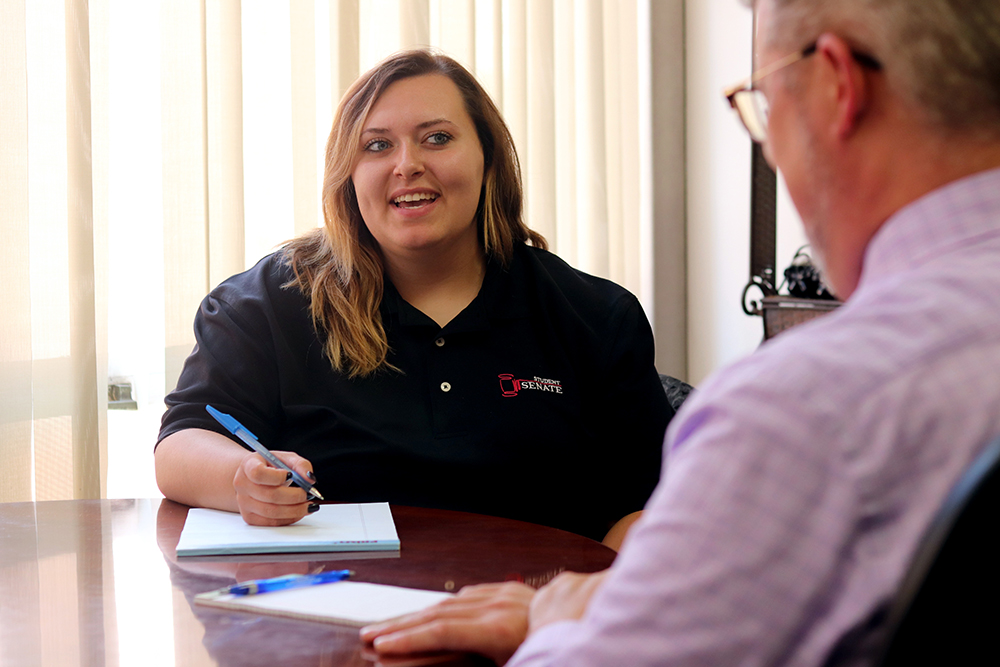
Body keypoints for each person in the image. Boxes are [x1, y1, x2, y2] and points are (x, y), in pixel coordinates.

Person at [361, 0, 1000, 664]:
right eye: (377, 145)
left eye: (764, 102)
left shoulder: (799, 412)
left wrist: (552, 619)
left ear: (838, 86)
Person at [154, 49, 672, 547]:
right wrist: (241, 478)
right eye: (377, 145)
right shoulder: (269, 303)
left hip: (536, 604)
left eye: (437, 138)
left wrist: (591, 598)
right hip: (334, 600)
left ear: (488, 158)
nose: (407, 165)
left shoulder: (596, 317)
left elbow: (655, 507)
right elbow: (181, 444)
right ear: (348, 174)